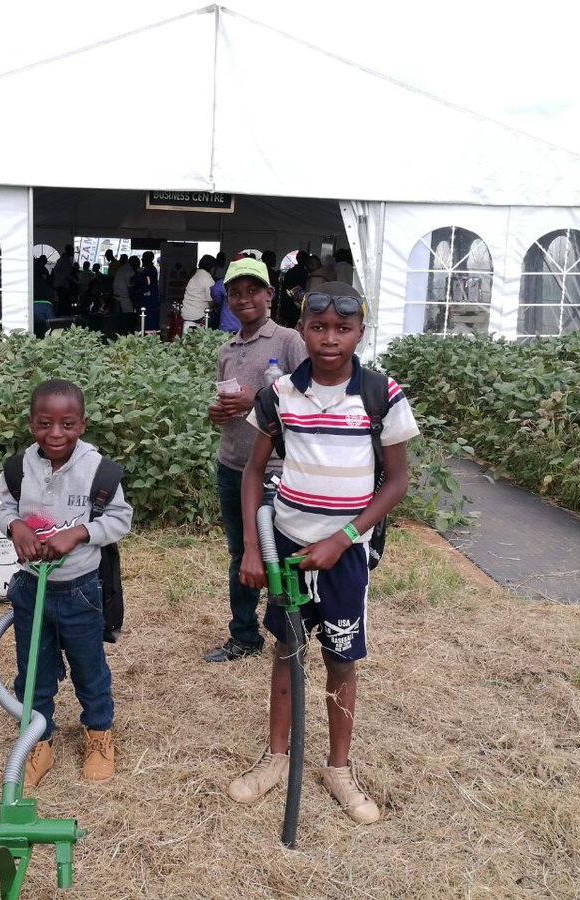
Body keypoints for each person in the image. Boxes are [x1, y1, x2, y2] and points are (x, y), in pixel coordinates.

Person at [229, 283, 419, 824]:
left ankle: (338, 767)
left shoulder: (381, 393)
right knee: (286, 652)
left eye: (343, 328)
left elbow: (397, 481)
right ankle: (276, 757)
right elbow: (252, 471)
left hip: (346, 555)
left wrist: (344, 538)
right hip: (286, 547)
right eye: (318, 328)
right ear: (302, 329)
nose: (330, 339)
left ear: (361, 331)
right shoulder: (280, 393)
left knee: (341, 657)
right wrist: (252, 547)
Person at [0, 380, 133, 787]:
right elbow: (4, 507)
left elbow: (119, 518)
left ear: (82, 423)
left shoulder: (99, 471)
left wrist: (78, 534)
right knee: (31, 671)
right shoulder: (17, 468)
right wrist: (15, 525)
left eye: (67, 424)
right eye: (45, 423)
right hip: (30, 588)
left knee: (89, 669)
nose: (56, 433)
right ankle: (38, 739)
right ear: (30, 423)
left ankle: (98, 734)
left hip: (80, 590)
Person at [204, 258, 306, 664]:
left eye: (252, 290)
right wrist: (218, 412)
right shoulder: (226, 349)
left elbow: (310, 400)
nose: (243, 299)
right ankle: (244, 635)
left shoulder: (288, 341)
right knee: (239, 553)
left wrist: (258, 401)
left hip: (277, 470)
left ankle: (287, 632)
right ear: (227, 300)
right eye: (235, 292)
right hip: (232, 465)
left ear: (269, 294)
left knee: (276, 552)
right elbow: (228, 406)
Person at [180, 254, 217, 333]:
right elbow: (211, 302)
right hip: (199, 317)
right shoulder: (208, 279)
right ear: (212, 268)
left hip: (186, 314)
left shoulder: (194, 275)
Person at [278, 251, 310, 326]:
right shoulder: (306, 273)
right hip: (298, 305)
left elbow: (286, 288)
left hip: (291, 304)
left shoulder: (291, 272)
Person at [135, 250, 161, 331]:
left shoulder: (149, 270)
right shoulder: (149, 269)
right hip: (150, 299)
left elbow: (147, 283)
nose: (142, 260)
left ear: (148, 259)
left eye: (143, 258)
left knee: (149, 323)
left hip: (149, 301)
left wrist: (137, 277)